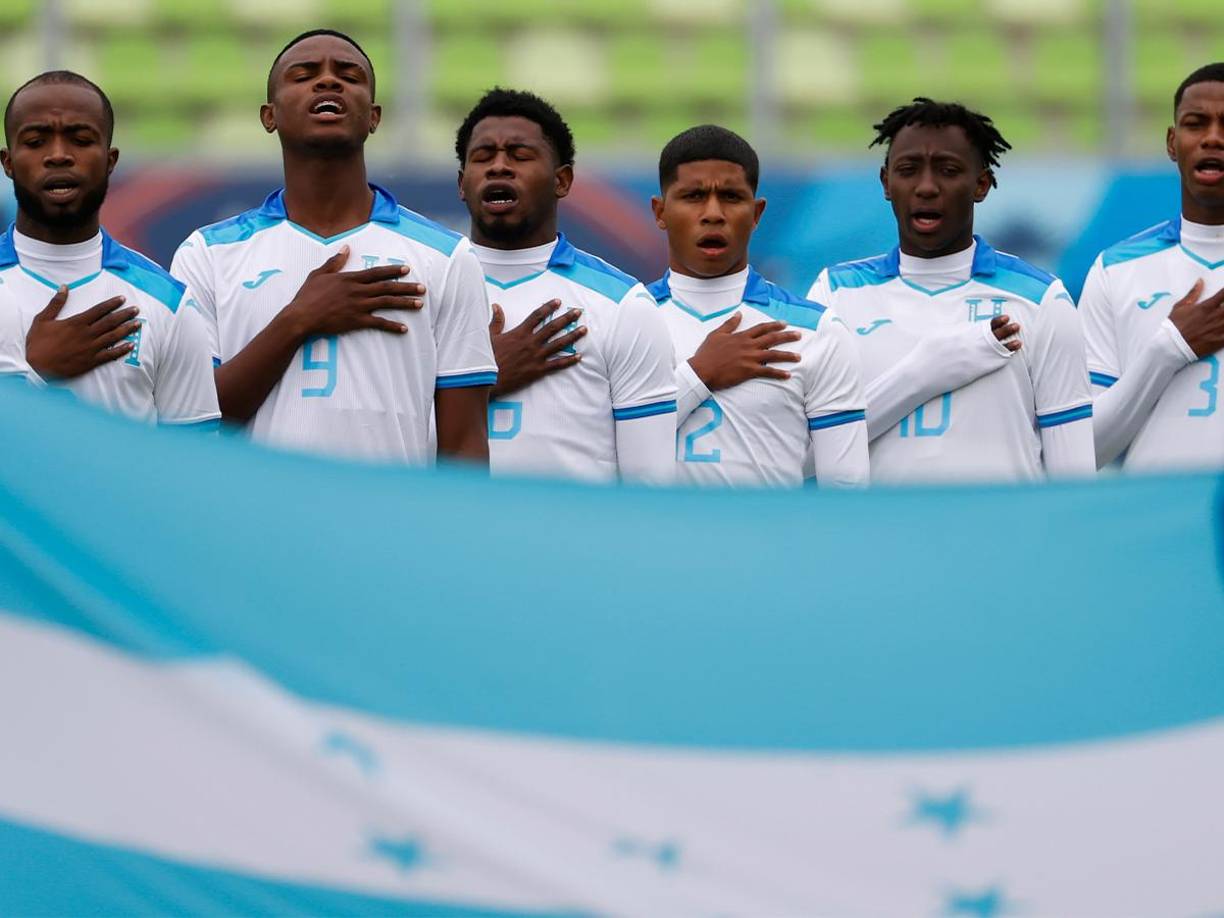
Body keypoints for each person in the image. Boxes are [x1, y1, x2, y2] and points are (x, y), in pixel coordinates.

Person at [172, 30, 495, 464]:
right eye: (304, 75)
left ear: (374, 116)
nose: (328, 82)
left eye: (349, 75)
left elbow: (464, 448)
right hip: (251, 527)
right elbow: (191, 426)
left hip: (391, 528)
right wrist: (298, 320)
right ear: (270, 115)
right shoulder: (206, 255)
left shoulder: (447, 258)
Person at [808, 98, 1093, 484]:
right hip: (878, 541)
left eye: (948, 170)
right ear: (886, 182)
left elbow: (1073, 480)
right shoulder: (834, 295)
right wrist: (925, 371)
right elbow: (803, 461)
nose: (926, 187)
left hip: (1001, 542)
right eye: (908, 170)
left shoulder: (1042, 300)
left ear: (981, 184)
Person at [456, 88, 676, 483]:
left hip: (573, 543)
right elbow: (384, 444)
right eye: (482, 157)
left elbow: (650, 486)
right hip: (449, 541)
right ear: (461, 183)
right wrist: (484, 379)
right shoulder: (422, 290)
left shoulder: (623, 305)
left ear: (563, 180)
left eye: (520, 155)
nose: (499, 167)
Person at [650, 125, 869, 488]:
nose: (713, 214)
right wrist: (700, 374)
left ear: (756, 213)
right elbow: (596, 458)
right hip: (652, 544)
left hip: (769, 544)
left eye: (732, 197)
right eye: (693, 196)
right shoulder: (621, 320)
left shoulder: (818, 331)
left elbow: (846, 490)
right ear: (660, 212)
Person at [0, 71, 218, 426]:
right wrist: (36, 372)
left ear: (110, 160)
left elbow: (193, 459)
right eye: (36, 141)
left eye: (80, 139)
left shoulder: (169, 302)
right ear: (8, 162)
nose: (58, 156)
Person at [1080, 63, 1224, 472]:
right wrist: (1169, 346)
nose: (1213, 138)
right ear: (1172, 142)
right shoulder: (1116, 270)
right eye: (1197, 124)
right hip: (1157, 526)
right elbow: (1083, 452)